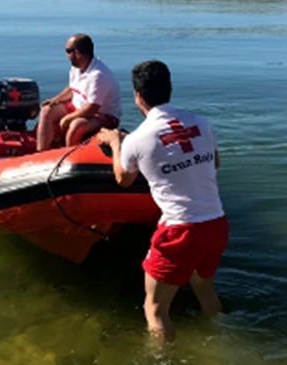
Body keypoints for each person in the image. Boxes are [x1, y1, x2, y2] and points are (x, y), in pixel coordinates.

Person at [96, 60, 227, 341]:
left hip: (180, 230)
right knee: (204, 288)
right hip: (216, 223)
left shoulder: (138, 139)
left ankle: (163, 360)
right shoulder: (203, 124)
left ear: (138, 97)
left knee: (154, 309)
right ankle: (225, 334)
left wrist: (116, 142)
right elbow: (214, 162)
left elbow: (123, 179)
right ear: (169, 89)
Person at [36, 34, 121, 151]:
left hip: (103, 114)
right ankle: (41, 152)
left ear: (77, 54)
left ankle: (68, 158)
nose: (66, 55)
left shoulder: (98, 76)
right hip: (79, 106)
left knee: (76, 125)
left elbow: (92, 108)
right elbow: (72, 89)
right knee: (46, 111)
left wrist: (68, 118)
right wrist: (56, 100)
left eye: (67, 51)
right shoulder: (76, 68)